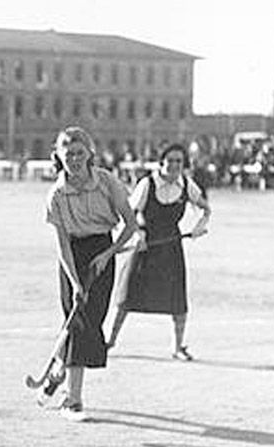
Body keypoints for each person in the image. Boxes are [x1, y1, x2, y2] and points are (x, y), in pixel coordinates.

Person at [42, 126, 138, 421]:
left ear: (89, 154)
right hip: (72, 256)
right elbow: (62, 245)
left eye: (79, 153)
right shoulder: (56, 194)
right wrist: (74, 281)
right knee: (77, 320)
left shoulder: (107, 182)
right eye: (68, 154)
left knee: (91, 320)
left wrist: (107, 254)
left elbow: (130, 226)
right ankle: (73, 400)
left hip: (101, 251)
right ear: (58, 156)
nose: (74, 159)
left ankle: (60, 366)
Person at [107, 143, 212, 360]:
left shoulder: (186, 185)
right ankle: (110, 342)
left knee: (177, 299)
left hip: (171, 247)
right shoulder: (147, 184)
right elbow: (128, 212)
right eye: (170, 160)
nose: (174, 165)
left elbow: (206, 208)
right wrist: (138, 235)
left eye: (179, 162)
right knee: (127, 295)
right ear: (162, 162)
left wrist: (198, 227)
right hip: (145, 245)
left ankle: (178, 346)